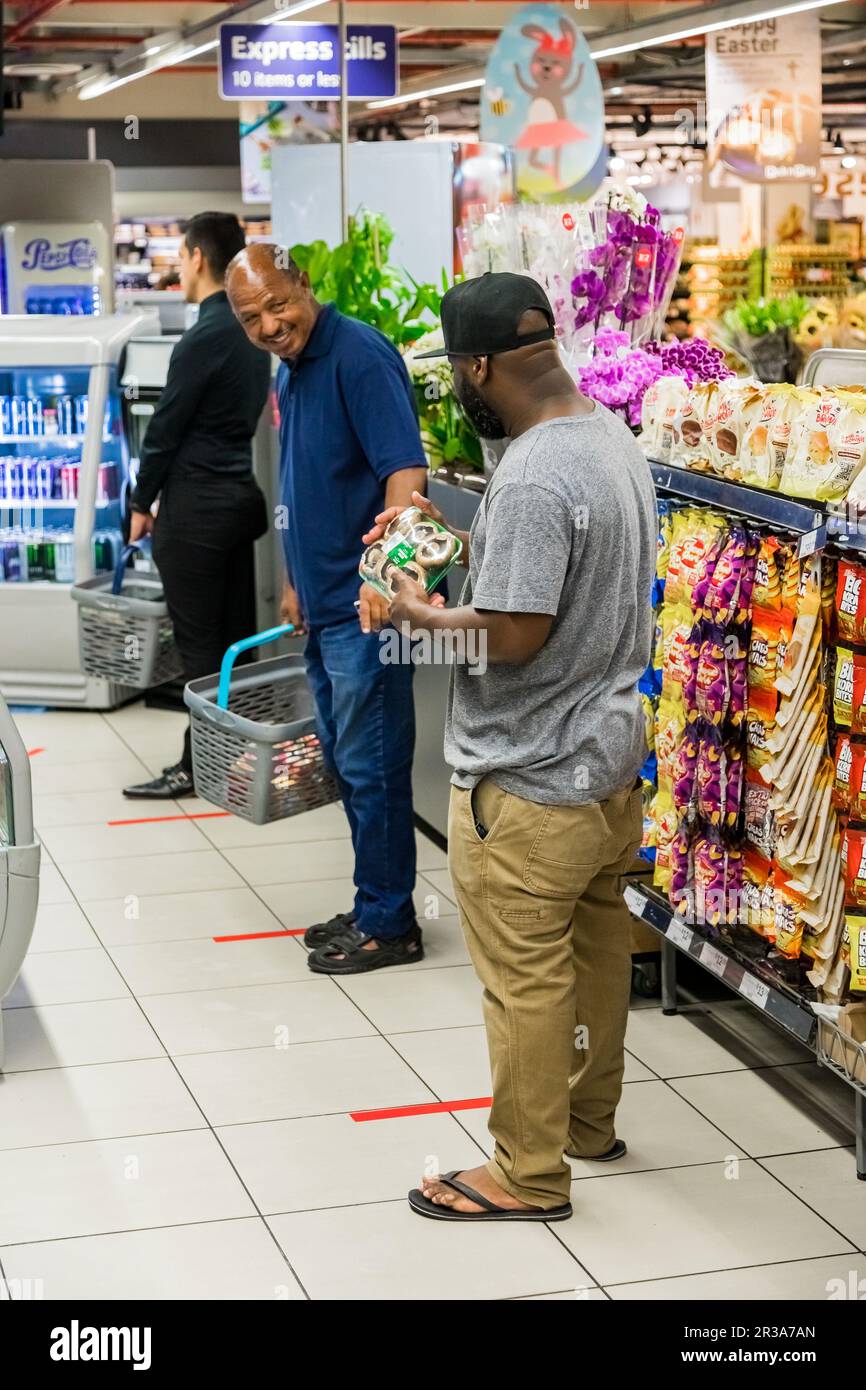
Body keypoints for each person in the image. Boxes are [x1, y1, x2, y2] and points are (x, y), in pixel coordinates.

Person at [372, 272, 656, 1222]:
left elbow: (516, 631)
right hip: (608, 767)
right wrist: (455, 548)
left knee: (526, 981)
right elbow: (548, 579)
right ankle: (587, 1122)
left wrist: (417, 613)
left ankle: (527, 1174)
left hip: (529, 777)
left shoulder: (534, 472)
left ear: (479, 365)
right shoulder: (607, 436)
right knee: (598, 952)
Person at [225, 244, 429, 974]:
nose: (271, 325)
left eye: (278, 304)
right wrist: (293, 580)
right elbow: (300, 484)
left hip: (366, 612)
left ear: (304, 284)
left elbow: (405, 472)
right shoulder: (296, 369)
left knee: (372, 766)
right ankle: (374, 901)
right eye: (253, 318)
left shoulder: (357, 354)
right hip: (324, 602)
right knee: (348, 763)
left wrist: (386, 571)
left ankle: (391, 925)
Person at [123, 212, 272, 800]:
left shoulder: (202, 335)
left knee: (200, 649)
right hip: (239, 503)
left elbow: (164, 429)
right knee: (238, 639)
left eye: (182, 258)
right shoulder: (249, 333)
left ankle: (198, 766)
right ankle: (235, 760)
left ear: (196, 257)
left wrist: (139, 500)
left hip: (195, 515)